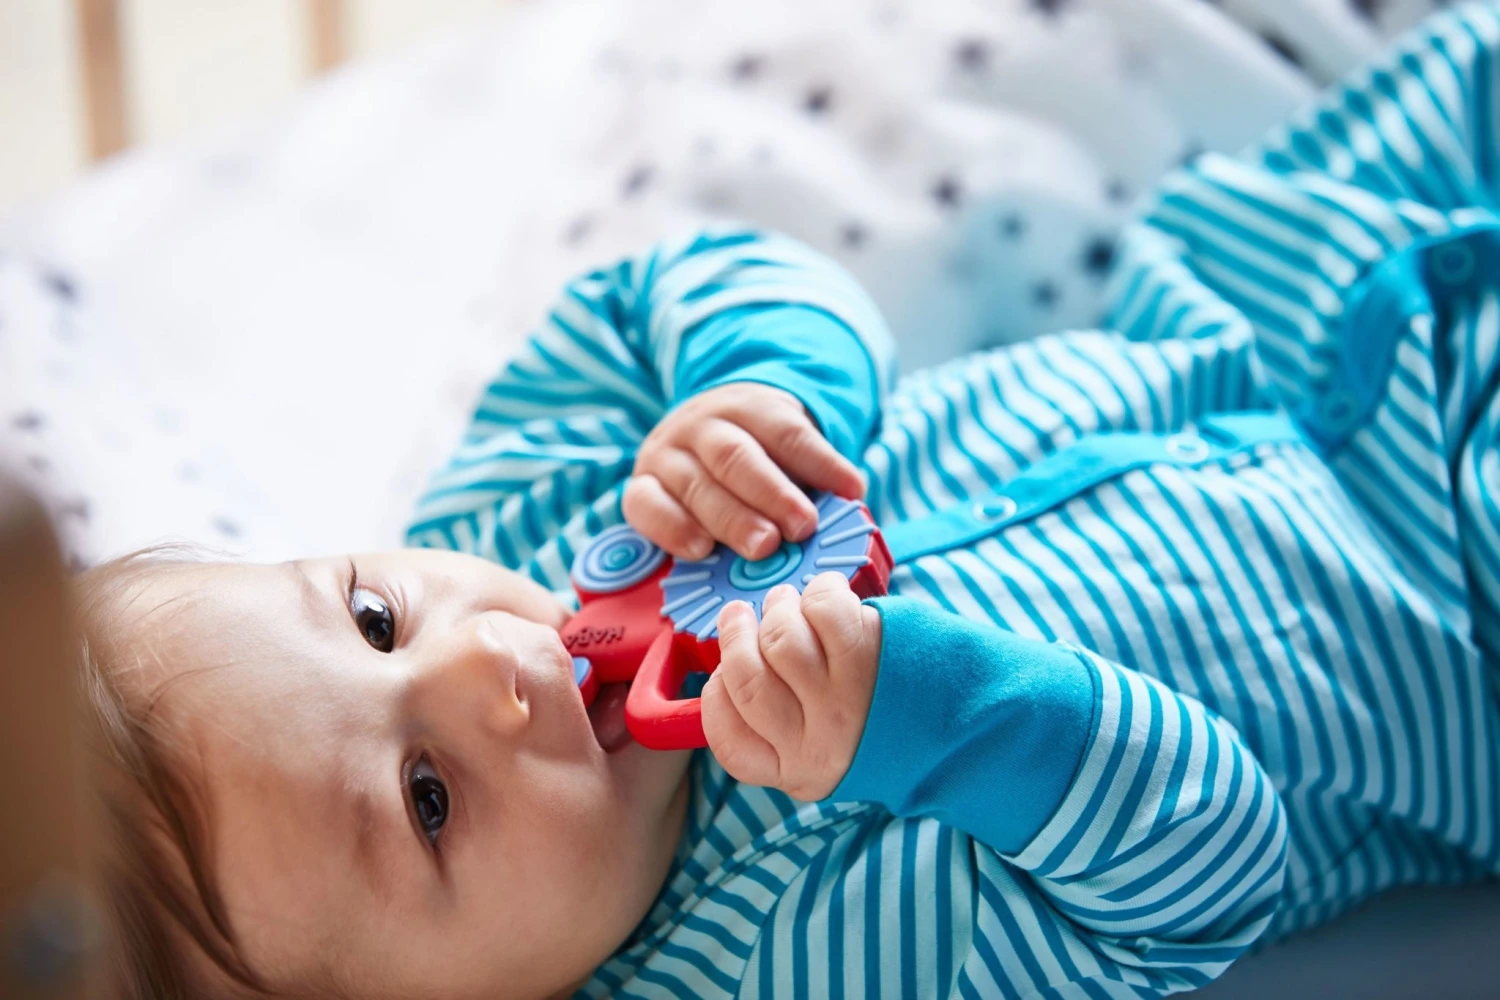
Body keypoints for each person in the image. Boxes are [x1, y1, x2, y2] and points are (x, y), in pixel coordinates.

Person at [78, 6, 1500, 997]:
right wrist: (927, 715)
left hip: (1273, 287)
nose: (483, 662)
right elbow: (1207, 859)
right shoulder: (794, 954)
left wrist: (754, 382)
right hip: (1443, 599)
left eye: (372, 615)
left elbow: (664, 285)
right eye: (429, 800)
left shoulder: (514, 517)